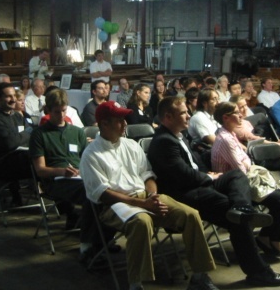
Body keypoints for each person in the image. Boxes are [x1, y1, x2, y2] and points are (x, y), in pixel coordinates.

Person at [148, 96, 280, 287]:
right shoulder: (164, 141)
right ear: (168, 117)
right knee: (237, 220)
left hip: (198, 183)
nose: (188, 116)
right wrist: (209, 177)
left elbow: (194, 165)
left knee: (236, 176)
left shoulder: (177, 136)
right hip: (185, 193)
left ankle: (242, 208)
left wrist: (209, 174)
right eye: (183, 113)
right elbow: (182, 175)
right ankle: (258, 272)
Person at [80, 101, 219, 290]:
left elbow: (148, 175)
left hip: (145, 196)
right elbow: (103, 194)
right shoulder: (91, 154)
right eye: (119, 120)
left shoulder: (131, 145)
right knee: (142, 222)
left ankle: (200, 276)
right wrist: (143, 204)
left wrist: (152, 196)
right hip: (115, 205)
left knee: (191, 215)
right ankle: (136, 283)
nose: (125, 123)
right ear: (104, 124)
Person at [212, 102, 280, 259]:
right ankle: (273, 240)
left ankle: (267, 237)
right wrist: (246, 163)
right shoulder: (225, 139)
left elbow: (246, 163)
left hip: (244, 180)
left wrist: (246, 163)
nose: (241, 115)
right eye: (236, 112)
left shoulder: (230, 135)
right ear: (226, 117)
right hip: (236, 188)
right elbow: (241, 170)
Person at [29, 88, 96, 258]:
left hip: (78, 176)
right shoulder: (39, 135)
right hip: (55, 181)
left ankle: (101, 237)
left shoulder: (77, 132)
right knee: (90, 193)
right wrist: (62, 171)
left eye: (64, 111)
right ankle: (88, 243)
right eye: (57, 112)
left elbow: (87, 160)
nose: (61, 115)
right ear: (48, 111)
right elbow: (40, 170)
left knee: (103, 189)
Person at [0, 82, 33, 206]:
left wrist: (23, 135)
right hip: (0, 163)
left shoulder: (17, 116)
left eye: (14, 96)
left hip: (18, 159)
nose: (13, 99)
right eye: (8, 96)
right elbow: (10, 143)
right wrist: (26, 133)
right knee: (37, 162)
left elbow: (31, 135)